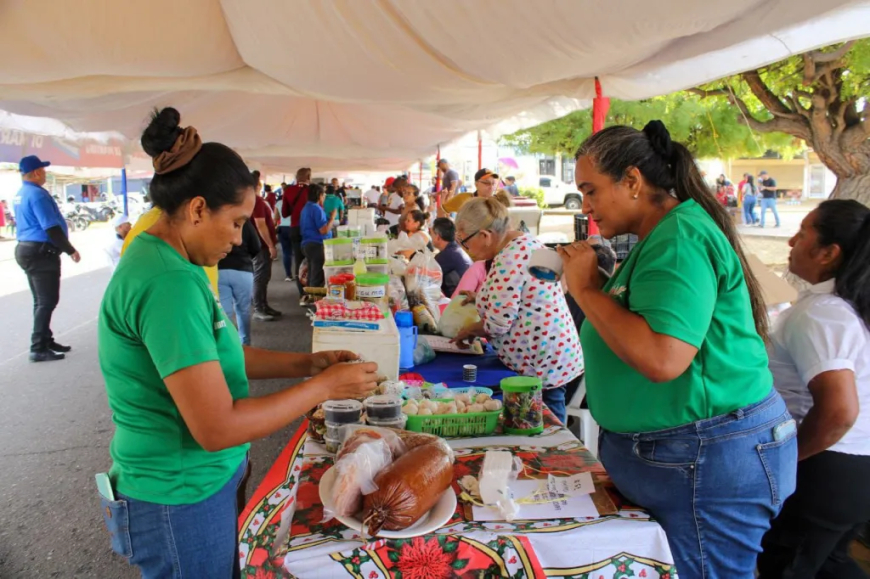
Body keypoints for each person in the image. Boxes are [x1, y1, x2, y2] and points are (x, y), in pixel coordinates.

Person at [97, 107, 378, 579]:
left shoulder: (171, 259)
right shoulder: (167, 283)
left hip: (199, 483)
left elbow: (215, 357)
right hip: (178, 492)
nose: (239, 238)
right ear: (198, 208)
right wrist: (323, 387)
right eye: (235, 222)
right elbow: (216, 428)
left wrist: (308, 363)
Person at [558, 121, 796, 578]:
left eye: (591, 190)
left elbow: (662, 357)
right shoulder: (665, 235)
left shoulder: (680, 237)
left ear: (632, 181)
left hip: (707, 459)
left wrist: (587, 292)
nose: (585, 207)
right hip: (693, 459)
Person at [758, 199, 870, 579]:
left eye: (802, 233)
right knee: (829, 565)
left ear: (828, 253)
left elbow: (839, 410)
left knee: (787, 567)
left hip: (826, 469)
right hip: (849, 467)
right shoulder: (843, 305)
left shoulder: (823, 313)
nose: (791, 241)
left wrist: (788, 459)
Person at [452, 198, 583, 424]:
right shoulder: (528, 241)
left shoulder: (508, 258)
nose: (467, 250)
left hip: (540, 361)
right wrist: (482, 297)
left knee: (546, 423)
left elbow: (499, 322)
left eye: (464, 242)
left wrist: (470, 330)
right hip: (554, 352)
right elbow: (529, 293)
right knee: (548, 414)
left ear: (485, 235)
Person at [12, 155, 81, 362]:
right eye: (43, 170)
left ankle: (45, 339)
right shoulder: (37, 195)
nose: (45, 173)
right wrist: (70, 250)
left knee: (40, 300)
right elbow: (50, 227)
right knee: (48, 300)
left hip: (26, 249)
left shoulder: (21, 193)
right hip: (41, 252)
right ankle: (38, 347)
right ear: (35, 173)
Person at [218, 219, 261, 343]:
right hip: (243, 270)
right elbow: (256, 246)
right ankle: (245, 343)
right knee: (243, 309)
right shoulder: (244, 222)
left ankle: (227, 343)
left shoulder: (216, 220)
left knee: (224, 311)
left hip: (220, 269)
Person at [251, 173, 280, 321]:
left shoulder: (255, 201)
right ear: (258, 186)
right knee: (260, 277)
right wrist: (270, 245)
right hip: (261, 245)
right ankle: (259, 308)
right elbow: (260, 225)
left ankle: (263, 305)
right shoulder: (257, 202)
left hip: (259, 244)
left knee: (264, 276)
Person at [300, 184, 336, 301]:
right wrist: (332, 219)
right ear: (320, 195)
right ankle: (316, 303)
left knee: (311, 274)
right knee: (316, 275)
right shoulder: (316, 209)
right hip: (316, 245)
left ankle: (310, 297)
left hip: (307, 244)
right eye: (323, 195)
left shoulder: (306, 207)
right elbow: (324, 230)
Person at [281, 167, 312, 299]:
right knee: (313, 260)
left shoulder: (289, 191)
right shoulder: (312, 191)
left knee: (299, 261)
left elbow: (284, 213)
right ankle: (313, 291)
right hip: (311, 230)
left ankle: (302, 294)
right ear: (309, 178)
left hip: (295, 228)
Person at [431, 217, 472, 298]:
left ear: (438, 237)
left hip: (459, 303)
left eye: (431, 234)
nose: (431, 237)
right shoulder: (456, 249)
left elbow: (425, 275)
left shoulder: (445, 256)